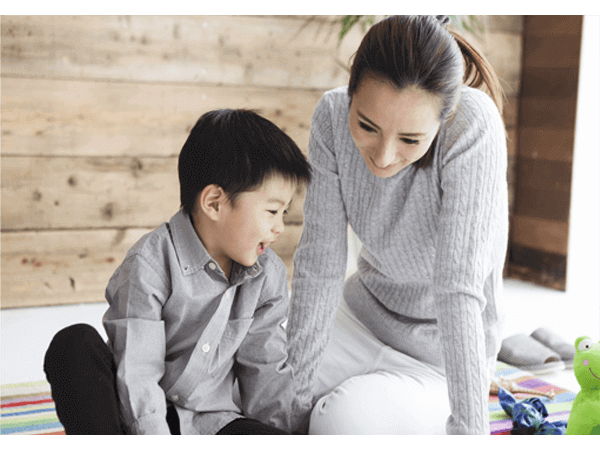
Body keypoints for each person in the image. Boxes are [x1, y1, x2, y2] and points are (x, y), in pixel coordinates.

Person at [286, 15, 508, 435]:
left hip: (436, 358)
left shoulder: (473, 125)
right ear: (350, 93)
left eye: (410, 139)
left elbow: (459, 287)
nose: (384, 156)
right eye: (367, 126)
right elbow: (320, 265)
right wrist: (288, 405)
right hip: (357, 318)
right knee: (246, 378)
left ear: (444, 118)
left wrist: (469, 426)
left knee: (339, 422)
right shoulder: (332, 116)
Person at [44, 109, 311, 435]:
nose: (280, 227)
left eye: (284, 212)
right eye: (271, 211)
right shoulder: (150, 263)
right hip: (134, 415)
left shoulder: (266, 274)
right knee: (72, 344)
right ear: (214, 202)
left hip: (211, 422)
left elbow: (264, 369)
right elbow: (138, 372)